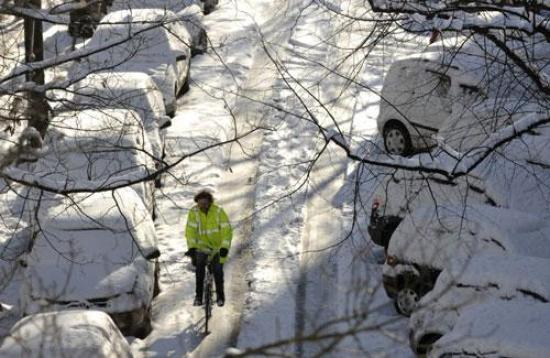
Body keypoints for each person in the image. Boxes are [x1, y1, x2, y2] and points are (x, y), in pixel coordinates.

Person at [185, 190, 232, 307]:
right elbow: (190, 231)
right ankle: (199, 297)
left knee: (217, 270)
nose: (202, 206)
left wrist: (224, 247)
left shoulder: (218, 212)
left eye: (205, 203)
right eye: (200, 204)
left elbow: (227, 231)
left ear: (210, 202)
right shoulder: (194, 212)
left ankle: (220, 296)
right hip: (201, 247)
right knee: (199, 269)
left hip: (217, 248)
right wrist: (192, 248)